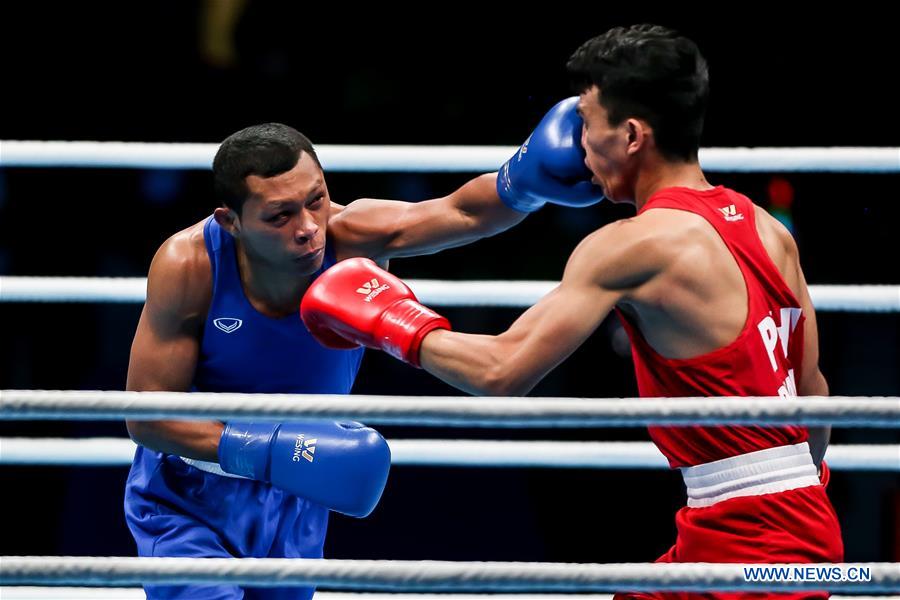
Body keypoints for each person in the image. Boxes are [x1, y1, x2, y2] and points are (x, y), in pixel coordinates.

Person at [301, 24, 844, 600]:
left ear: (632, 135)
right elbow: (813, 397)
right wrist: (783, 501)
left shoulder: (635, 244)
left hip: (750, 548)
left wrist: (390, 319)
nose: (577, 142)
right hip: (774, 526)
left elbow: (502, 371)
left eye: (586, 121)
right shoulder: (765, 227)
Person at [123, 119, 601, 600]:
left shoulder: (353, 235)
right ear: (232, 222)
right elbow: (147, 416)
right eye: (279, 216)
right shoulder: (191, 265)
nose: (309, 229)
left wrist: (523, 182)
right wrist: (265, 450)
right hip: (190, 489)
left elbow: (463, 213)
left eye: (316, 200)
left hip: (299, 484)